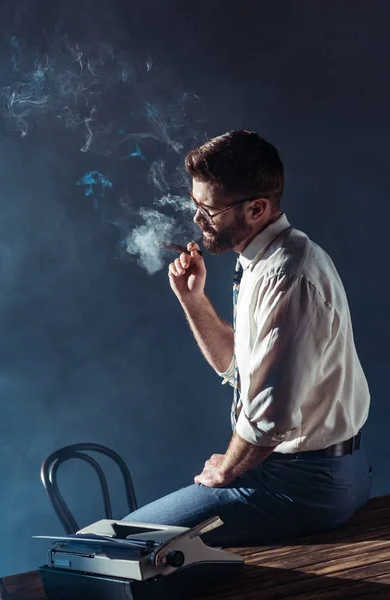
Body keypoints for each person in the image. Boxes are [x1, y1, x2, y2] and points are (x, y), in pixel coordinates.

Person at [121, 129, 372, 546]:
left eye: (209, 210)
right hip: (294, 471)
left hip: (305, 485)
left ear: (256, 208)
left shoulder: (289, 275)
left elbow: (271, 415)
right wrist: (193, 300)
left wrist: (227, 469)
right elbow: (239, 370)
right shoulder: (259, 261)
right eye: (195, 204)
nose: (197, 220)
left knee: (131, 544)